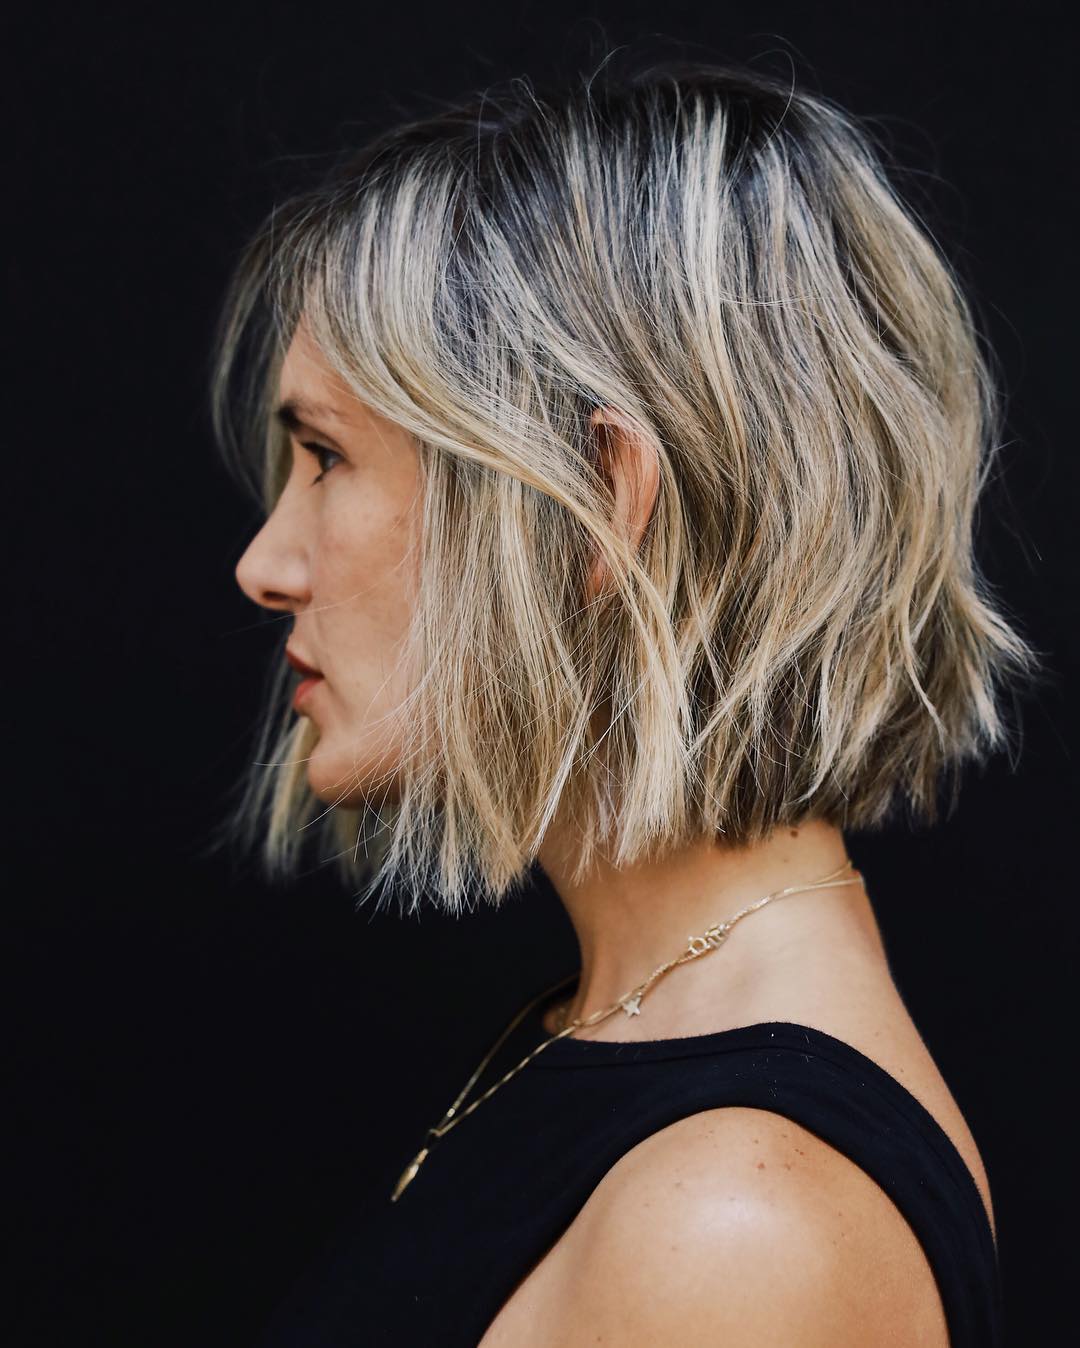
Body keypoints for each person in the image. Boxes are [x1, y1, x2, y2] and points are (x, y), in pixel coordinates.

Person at [213, 54, 1038, 1347]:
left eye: (327, 457)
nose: (265, 565)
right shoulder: (617, 1034)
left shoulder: (738, 1225)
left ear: (597, 503)